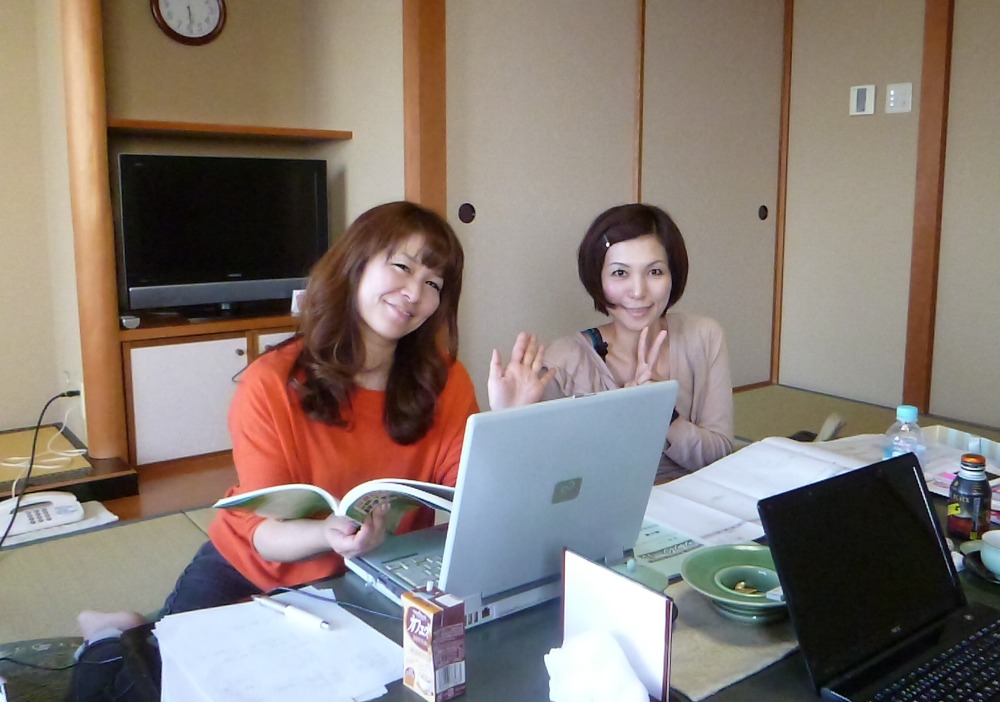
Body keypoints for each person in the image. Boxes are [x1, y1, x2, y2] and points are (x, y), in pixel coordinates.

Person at [71, 200, 486, 699]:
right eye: (401, 266)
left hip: (369, 579)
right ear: (355, 264)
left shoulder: (445, 381)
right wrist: (327, 534)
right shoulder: (271, 383)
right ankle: (112, 634)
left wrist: (509, 417)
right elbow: (263, 535)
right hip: (250, 570)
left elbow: (466, 495)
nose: (415, 293)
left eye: (434, 283)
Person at [491, 203, 733, 482]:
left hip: (698, 501)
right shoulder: (564, 362)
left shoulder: (703, 337)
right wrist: (507, 420)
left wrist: (663, 413)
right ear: (598, 278)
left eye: (654, 272)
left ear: (673, 275)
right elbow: (535, 479)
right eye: (620, 273)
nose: (638, 291)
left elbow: (721, 456)